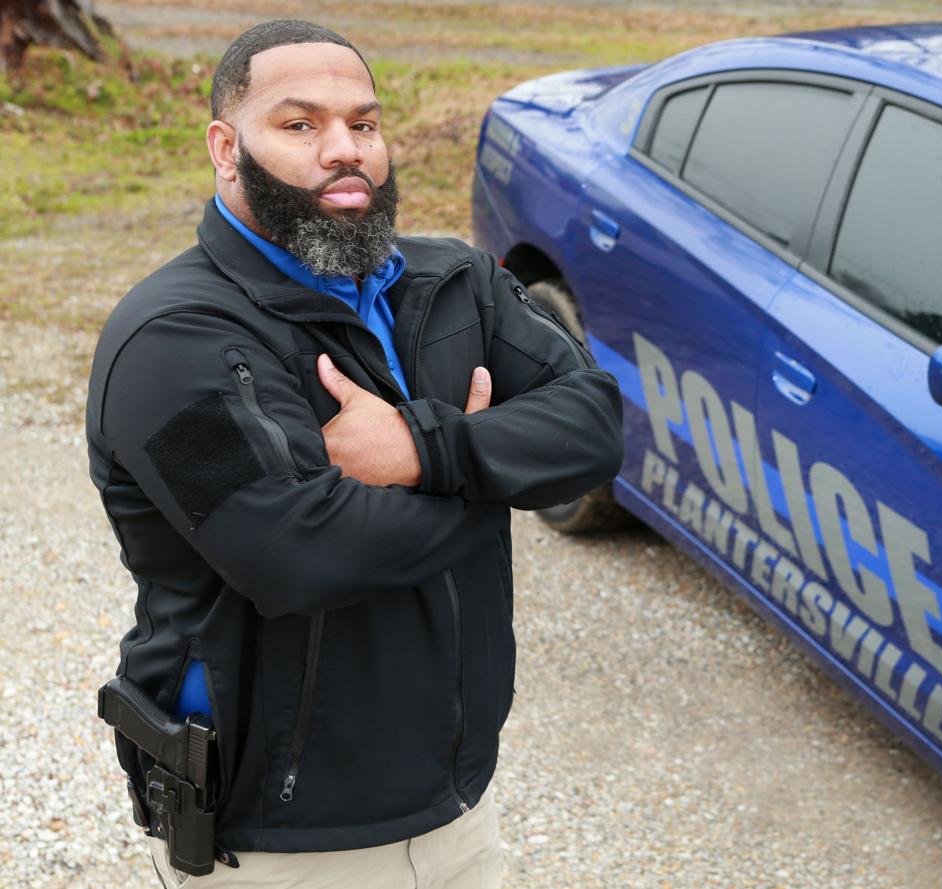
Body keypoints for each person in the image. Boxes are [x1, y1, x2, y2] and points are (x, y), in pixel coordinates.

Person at [85, 19, 624, 888]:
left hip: (457, 809)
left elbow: (595, 430)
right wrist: (494, 468)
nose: (345, 150)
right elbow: (303, 553)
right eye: (300, 125)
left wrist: (422, 445)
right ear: (226, 148)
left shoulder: (458, 283)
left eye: (363, 124)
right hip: (279, 845)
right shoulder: (168, 342)